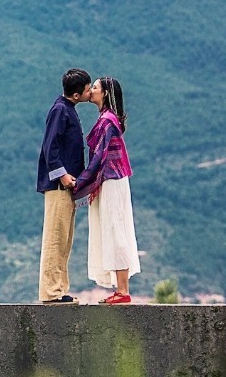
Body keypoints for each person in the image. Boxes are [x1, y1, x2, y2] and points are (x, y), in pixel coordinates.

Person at [73, 76, 140, 304]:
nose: (91, 90)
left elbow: (100, 157)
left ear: (105, 94)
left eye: (95, 87)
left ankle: (123, 290)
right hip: (111, 180)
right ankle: (121, 289)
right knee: (114, 228)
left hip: (111, 180)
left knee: (115, 229)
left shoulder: (107, 122)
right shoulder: (108, 119)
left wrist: (79, 183)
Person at [37, 67, 92, 304]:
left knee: (65, 240)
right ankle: (51, 292)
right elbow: (51, 148)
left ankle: (59, 289)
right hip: (59, 186)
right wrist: (63, 176)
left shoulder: (68, 109)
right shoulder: (60, 111)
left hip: (67, 187)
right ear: (78, 94)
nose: (91, 92)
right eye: (88, 88)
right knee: (55, 239)